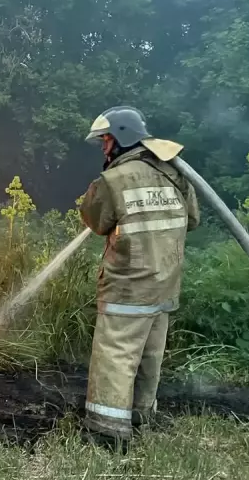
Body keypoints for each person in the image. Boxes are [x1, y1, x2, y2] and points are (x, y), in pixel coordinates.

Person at [78, 106, 200, 451]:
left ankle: (107, 430)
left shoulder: (114, 180)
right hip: (165, 283)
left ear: (121, 137)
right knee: (150, 353)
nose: (104, 148)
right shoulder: (174, 171)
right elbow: (192, 219)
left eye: (106, 140)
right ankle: (140, 416)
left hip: (128, 286)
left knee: (116, 354)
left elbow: (95, 221)